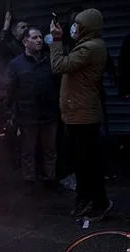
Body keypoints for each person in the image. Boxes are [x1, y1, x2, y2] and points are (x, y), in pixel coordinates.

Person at [51, 9, 111, 220]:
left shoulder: (89, 48)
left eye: (78, 25)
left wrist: (57, 40)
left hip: (83, 115)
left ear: (88, 28)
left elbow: (59, 65)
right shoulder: (91, 45)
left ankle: (99, 203)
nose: (73, 28)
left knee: (88, 163)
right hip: (79, 113)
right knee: (83, 161)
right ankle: (86, 199)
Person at [7, 27, 60, 186]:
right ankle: (29, 180)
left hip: (49, 113)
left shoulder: (48, 60)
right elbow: (11, 90)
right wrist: (12, 114)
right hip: (27, 115)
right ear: (25, 42)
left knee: (50, 149)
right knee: (28, 150)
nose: (39, 40)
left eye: (40, 37)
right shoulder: (16, 64)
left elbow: (57, 85)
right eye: (34, 38)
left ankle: (50, 178)